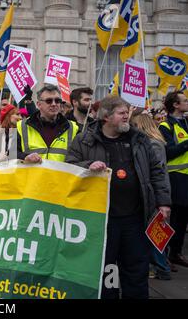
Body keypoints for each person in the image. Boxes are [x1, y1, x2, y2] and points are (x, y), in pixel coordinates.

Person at [66, 96, 171, 299]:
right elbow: (69, 166)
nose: (127, 117)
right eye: (122, 113)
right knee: (104, 270)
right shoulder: (84, 139)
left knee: (137, 269)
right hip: (102, 222)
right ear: (106, 117)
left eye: (127, 113)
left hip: (136, 218)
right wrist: (88, 166)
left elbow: (156, 171)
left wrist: (163, 202)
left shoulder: (139, 139)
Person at [130, 114, 172, 280]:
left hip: (154, 195)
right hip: (155, 193)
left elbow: (154, 171)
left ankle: (161, 267)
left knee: (155, 233)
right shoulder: (156, 143)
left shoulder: (153, 144)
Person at [158, 91, 188, 269]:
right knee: (173, 218)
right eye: (184, 101)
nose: (187, 102)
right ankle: (166, 255)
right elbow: (168, 152)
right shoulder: (165, 125)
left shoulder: (185, 122)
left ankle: (176, 252)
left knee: (184, 218)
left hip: (186, 178)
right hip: (175, 178)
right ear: (175, 105)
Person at [17, 84, 79, 163]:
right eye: (49, 101)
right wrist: (25, 157)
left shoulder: (73, 127)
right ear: (39, 105)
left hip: (60, 175)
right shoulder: (21, 126)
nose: (54, 104)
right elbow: (9, 154)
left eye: (57, 101)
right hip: (31, 175)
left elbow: (80, 157)